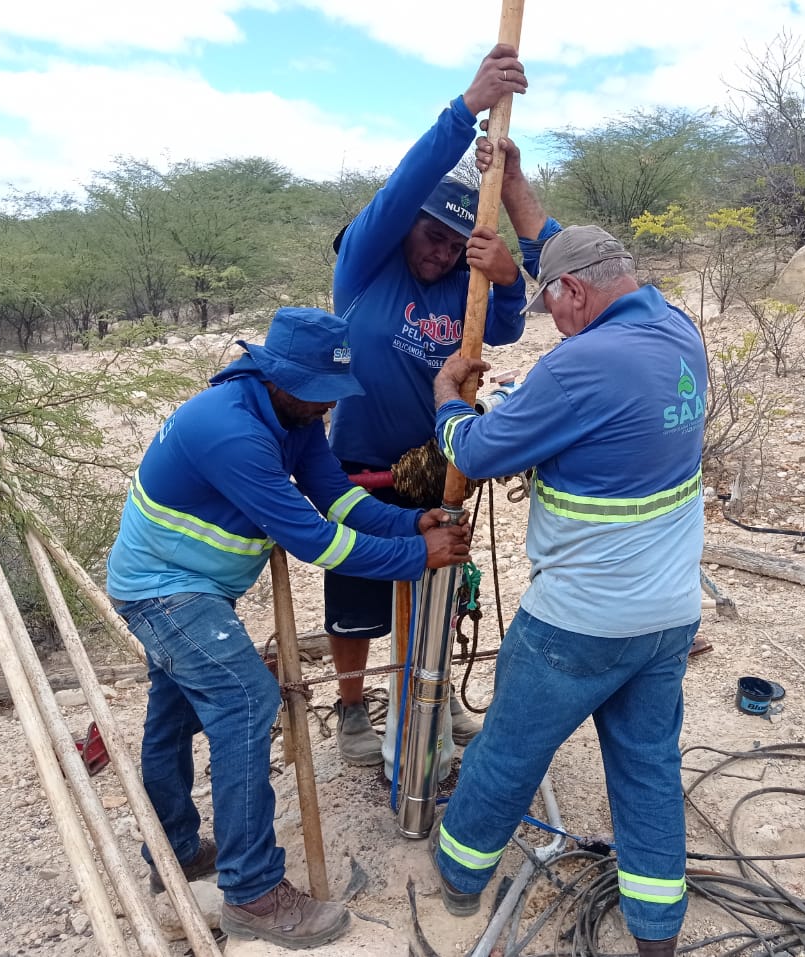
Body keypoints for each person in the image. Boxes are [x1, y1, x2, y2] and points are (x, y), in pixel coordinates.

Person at [105, 306, 471, 950]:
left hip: (194, 586)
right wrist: (418, 556)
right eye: (319, 392)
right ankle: (252, 894)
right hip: (163, 590)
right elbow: (314, 540)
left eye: (335, 392)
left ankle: (175, 852)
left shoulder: (293, 416)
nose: (329, 406)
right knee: (247, 699)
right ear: (276, 376)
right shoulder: (231, 431)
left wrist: (407, 523)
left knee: (173, 715)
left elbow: (339, 498)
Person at [427, 133, 707, 957]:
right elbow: (556, 246)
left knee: (510, 748)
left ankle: (458, 876)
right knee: (647, 764)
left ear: (578, 293)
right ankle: (657, 928)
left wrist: (449, 398)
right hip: (667, 615)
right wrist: (514, 185)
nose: (552, 319)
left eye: (553, 306)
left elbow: (477, 451)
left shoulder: (580, 365)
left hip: (579, 622)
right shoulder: (673, 325)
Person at [324, 43, 529, 774]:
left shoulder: (460, 286)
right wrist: (464, 109)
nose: (441, 253)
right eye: (432, 236)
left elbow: (506, 329)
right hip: (357, 464)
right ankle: (352, 705)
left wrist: (506, 277)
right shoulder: (365, 267)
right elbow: (401, 186)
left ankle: (428, 700)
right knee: (356, 592)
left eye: (455, 242)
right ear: (407, 226)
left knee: (433, 582)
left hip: (434, 466)